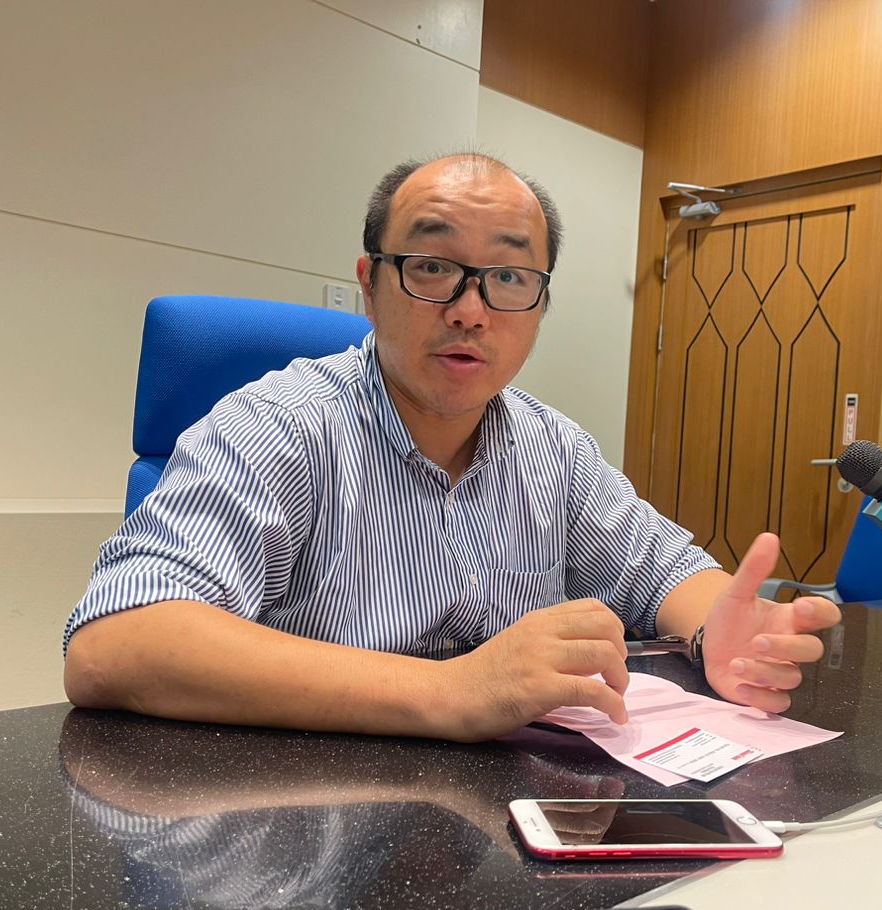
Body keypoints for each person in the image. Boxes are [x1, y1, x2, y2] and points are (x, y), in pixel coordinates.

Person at [63, 152, 838, 741]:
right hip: (302, 826)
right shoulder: (278, 425)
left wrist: (717, 630)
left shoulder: (554, 449)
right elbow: (118, 643)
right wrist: (456, 690)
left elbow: (663, 570)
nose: (471, 310)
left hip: (502, 832)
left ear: (539, 305)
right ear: (370, 284)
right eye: (433, 267)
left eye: (510, 277)